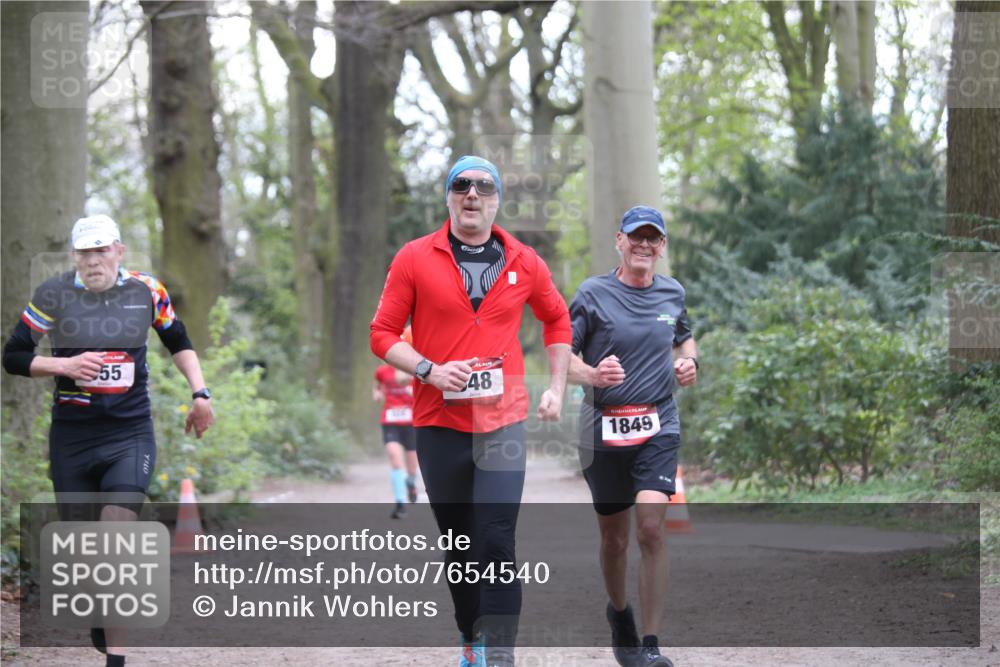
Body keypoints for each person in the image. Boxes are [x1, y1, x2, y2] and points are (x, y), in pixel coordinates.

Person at [370, 155, 571, 667]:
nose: (472, 195)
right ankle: (471, 639)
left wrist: (557, 386)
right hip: (439, 424)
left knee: (497, 539)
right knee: (460, 545)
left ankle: (500, 656)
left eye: (484, 187)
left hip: (502, 421)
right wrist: (429, 370)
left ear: (497, 199)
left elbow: (557, 320)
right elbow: (382, 335)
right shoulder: (414, 257)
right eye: (462, 185)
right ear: (449, 197)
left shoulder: (525, 260)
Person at [2, 214, 215, 667]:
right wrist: (63, 366)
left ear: (119, 251)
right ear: (74, 256)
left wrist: (200, 394)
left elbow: (178, 341)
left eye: (101, 250)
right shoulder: (53, 295)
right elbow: (14, 355)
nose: (93, 260)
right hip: (72, 439)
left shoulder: (147, 291)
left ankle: (116, 659)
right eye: (85, 252)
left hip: (129, 435)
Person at [567, 206, 698, 667]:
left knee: (651, 529)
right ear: (619, 241)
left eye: (652, 238)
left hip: (658, 424)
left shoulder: (672, 292)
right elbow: (562, 357)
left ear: (662, 246)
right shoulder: (592, 294)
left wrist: (689, 362)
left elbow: (684, 338)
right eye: (636, 237)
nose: (644, 245)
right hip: (602, 429)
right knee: (615, 539)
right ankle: (620, 613)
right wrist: (592, 373)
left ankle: (651, 643)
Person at [373, 326, 420, 518]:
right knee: (395, 460)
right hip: (390, 421)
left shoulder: (417, 370)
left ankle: (410, 483)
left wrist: (413, 392)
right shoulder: (382, 372)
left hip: (411, 423)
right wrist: (377, 393)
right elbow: (377, 387)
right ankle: (400, 504)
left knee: (412, 468)